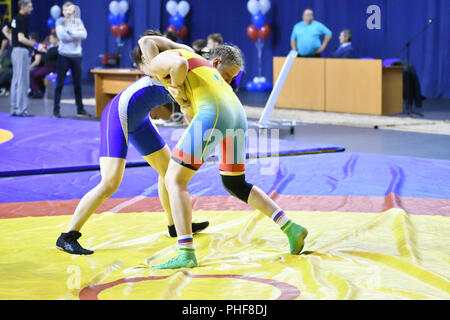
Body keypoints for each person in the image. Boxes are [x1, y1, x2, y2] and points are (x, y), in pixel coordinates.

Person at [135, 36, 309, 269]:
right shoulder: (195, 57)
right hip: (237, 113)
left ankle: (186, 252)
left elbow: (151, 44)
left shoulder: (157, 61)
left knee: (173, 180)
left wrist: (170, 82)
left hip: (215, 113)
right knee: (235, 183)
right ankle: (290, 227)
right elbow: (172, 55)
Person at [55, 30, 212, 255]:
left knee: (169, 172)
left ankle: (175, 226)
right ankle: (67, 235)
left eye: (142, 64)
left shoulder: (178, 64)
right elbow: (149, 44)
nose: (143, 70)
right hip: (117, 116)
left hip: (139, 120)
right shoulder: (168, 68)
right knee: (110, 182)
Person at [10, 0, 46, 117]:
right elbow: (21, 38)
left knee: (16, 80)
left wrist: (11, 40)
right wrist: (37, 45)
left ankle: (14, 108)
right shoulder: (21, 19)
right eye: (30, 7)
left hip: (15, 51)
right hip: (21, 52)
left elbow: (6, 30)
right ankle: (21, 110)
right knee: (23, 81)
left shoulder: (15, 18)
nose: (32, 9)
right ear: (23, 7)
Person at [54, 1, 89, 118]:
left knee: (78, 85)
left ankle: (80, 109)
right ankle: (56, 110)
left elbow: (84, 35)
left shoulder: (78, 22)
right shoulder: (60, 21)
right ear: (63, 11)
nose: (68, 12)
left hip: (76, 57)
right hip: (63, 56)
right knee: (59, 84)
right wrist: (76, 34)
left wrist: (70, 32)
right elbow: (62, 37)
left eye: (70, 10)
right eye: (65, 10)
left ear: (73, 11)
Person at [29, 32, 59, 98]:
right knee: (32, 74)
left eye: (51, 38)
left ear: (56, 39)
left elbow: (49, 56)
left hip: (51, 67)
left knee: (32, 74)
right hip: (46, 67)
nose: (50, 40)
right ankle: (39, 90)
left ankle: (38, 91)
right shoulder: (52, 48)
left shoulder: (58, 48)